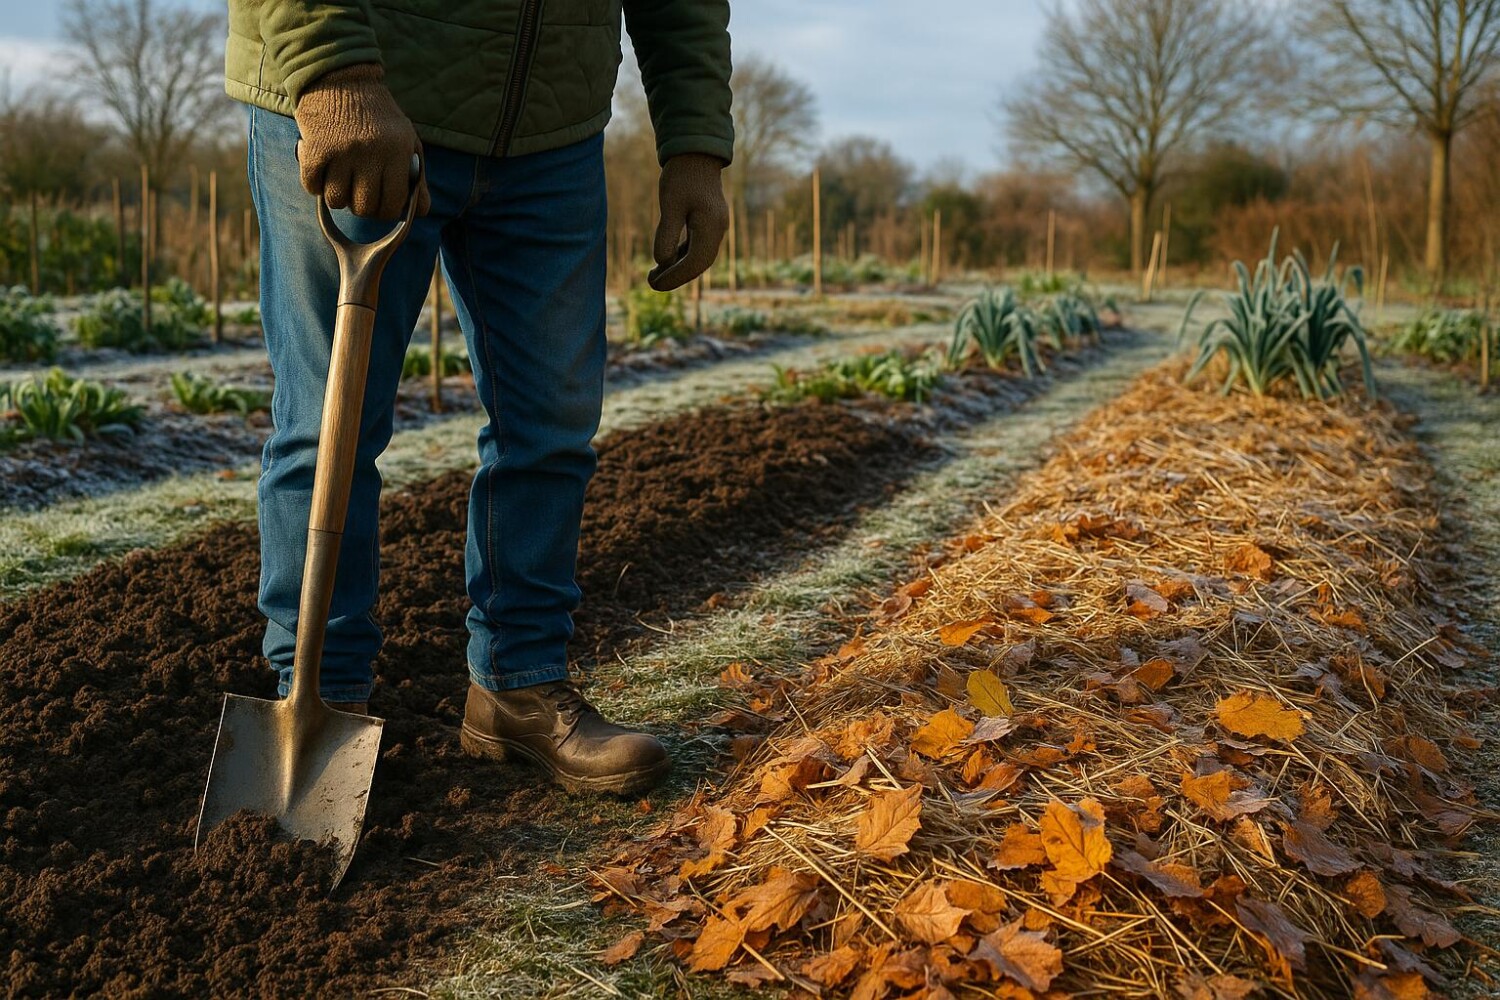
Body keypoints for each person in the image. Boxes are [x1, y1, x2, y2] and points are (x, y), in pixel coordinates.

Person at [223, 0, 733, 795]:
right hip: (368, 97)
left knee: (552, 423)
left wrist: (696, 145)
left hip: (548, 127)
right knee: (333, 421)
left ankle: (518, 683)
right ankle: (320, 694)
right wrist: (333, 73)